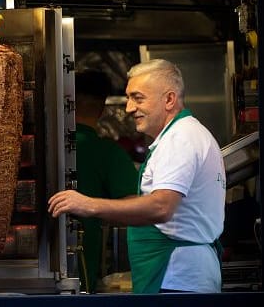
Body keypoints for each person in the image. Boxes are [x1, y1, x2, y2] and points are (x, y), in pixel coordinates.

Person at [49, 59, 225, 293]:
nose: (129, 108)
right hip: (173, 278)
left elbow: (161, 207)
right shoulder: (179, 136)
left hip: (177, 280)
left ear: (169, 99)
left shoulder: (180, 139)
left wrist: (89, 205)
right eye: (129, 98)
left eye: (138, 98)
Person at [73, 69, 138, 293]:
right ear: (101, 110)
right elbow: (134, 208)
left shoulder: (37, 149)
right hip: (82, 271)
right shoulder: (108, 153)